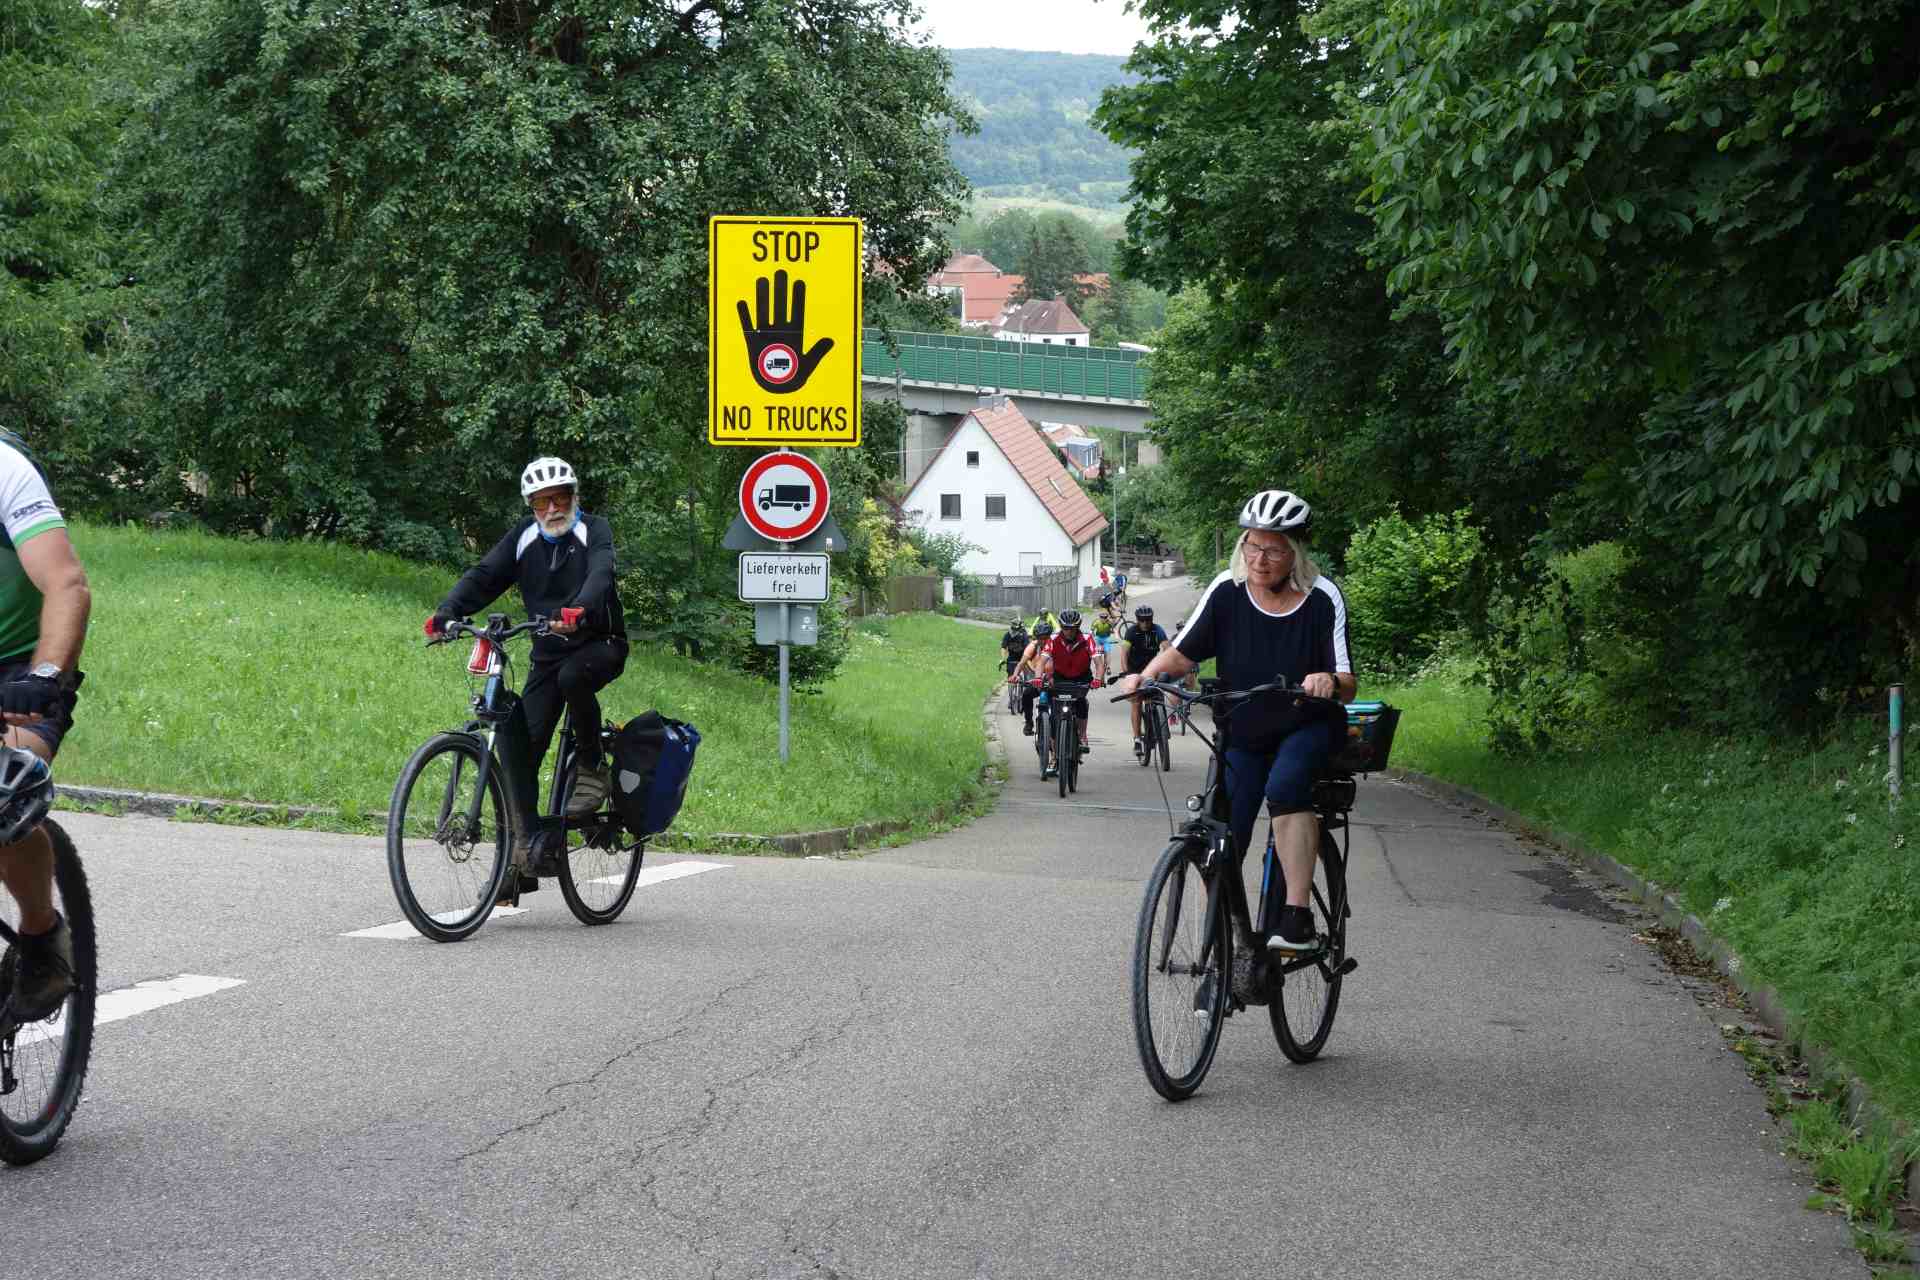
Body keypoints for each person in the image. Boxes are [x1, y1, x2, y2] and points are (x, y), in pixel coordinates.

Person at [1115, 489, 1352, 954]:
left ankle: (1297, 916)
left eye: (1274, 550)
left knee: (1285, 787)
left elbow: (1348, 681)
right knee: (1224, 832)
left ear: (1296, 552)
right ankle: (1227, 949)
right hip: (1243, 728)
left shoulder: (1323, 598)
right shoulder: (1228, 589)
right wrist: (1146, 676)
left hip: (1307, 725)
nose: (1259, 559)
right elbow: (1183, 651)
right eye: (1252, 545)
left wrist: (1327, 679)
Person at [427, 457, 626, 823]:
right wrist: (447, 611)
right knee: (523, 752)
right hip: (548, 654)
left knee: (572, 677)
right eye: (541, 502)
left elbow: (600, 574)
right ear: (531, 506)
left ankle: (592, 765)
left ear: (574, 496)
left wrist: (579, 609)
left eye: (560, 498)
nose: (552, 509)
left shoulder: (595, 530)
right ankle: (525, 842)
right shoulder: (524, 536)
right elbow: (485, 575)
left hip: (600, 643)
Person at [0, 430, 91, 1022]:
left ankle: (41, 935)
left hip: (15, 667)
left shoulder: (5, 470)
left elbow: (65, 583)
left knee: (4, 792)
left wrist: (46, 674)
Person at [1038, 608, 1101, 757]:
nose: (1069, 631)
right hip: (1059, 678)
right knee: (1054, 715)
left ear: (1078, 627)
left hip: (1081, 679)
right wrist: (1037, 677)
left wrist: (1098, 679)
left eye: (1073, 628)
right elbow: (1041, 662)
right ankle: (1054, 756)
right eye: (1066, 628)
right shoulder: (1053, 639)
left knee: (1081, 703)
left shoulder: (1087, 638)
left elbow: (1098, 663)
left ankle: (1083, 736)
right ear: (1061, 626)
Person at [1118, 604, 1170, 755]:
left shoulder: (1157, 630)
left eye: (1148, 620)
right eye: (1142, 620)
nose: (1145, 623)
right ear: (1137, 620)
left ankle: (1160, 725)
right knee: (1136, 702)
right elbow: (1124, 653)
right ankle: (1137, 739)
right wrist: (1126, 672)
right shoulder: (1131, 632)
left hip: (1151, 669)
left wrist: (1168, 665)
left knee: (1156, 695)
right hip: (1134, 670)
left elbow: (1167, 648)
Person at [1009, 619, 1053, 736]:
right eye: (1040, 638)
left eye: (1045, 638)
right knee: (1026, 695)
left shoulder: (1056, 645)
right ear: (1036, 638)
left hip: (1053, 680)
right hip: (1037, 679)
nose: (1043, 641)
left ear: (1050, 636)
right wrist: (1015, 675)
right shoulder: (1032, 646)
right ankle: (1029, 723)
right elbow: (1021, 663)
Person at [998, 617, 1029, 686]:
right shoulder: (1008, 635)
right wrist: (1003, 658)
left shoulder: (1024, 635)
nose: (1013, 631)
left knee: (1026, 671)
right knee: (1010, 675)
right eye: (1013, 629)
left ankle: (1026, 682)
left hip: (1023, 656)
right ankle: (1012, 685)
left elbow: (1027, 648)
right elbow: (1003, 647)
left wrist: (1026, 660)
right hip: (1012, 657)